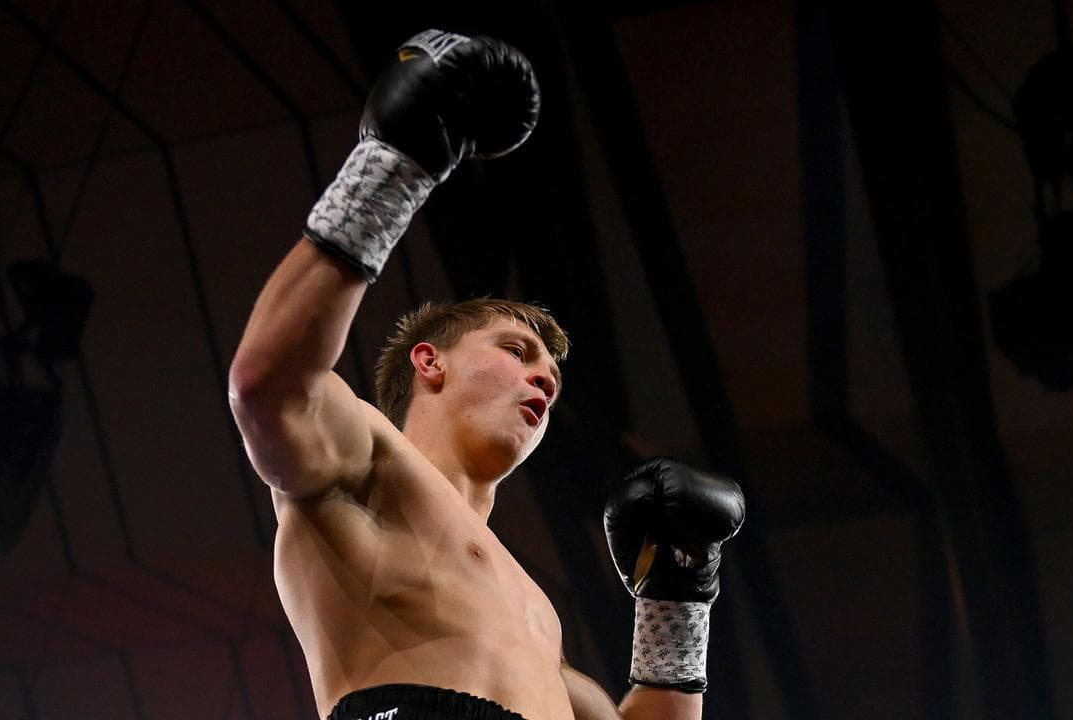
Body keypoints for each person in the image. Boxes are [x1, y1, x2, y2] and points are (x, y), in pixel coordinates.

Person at [228, 29, 745, 720]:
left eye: (552, 377)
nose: (545, 381)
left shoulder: (535, 615)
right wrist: (392, 168)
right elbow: (267, 385)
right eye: (517, 351)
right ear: (429, 361)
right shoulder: (364, 464)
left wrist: (676, 604)